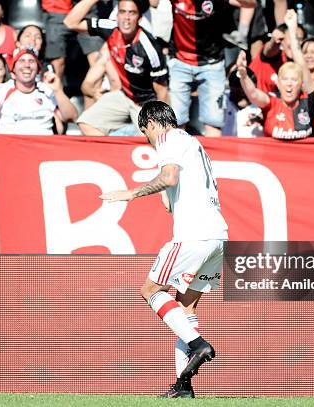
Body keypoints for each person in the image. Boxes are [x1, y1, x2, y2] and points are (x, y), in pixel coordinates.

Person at [100, 101, 228, 398]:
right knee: (186, 308)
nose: (149, 138)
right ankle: (183, 385)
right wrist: (170, 196)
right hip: (217, 237)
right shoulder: (193, 144)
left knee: (150, 290)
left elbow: (169, 177)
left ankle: (198, 345)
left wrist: (131, 193)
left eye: (145, 132)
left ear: (154, 125)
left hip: (193, 235)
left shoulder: (169, 137)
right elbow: (175, 190)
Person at [65, 0, 169, 136]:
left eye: (132, 13)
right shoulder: (111, 27)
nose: (126, 18)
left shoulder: (150, 48)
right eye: (122, 12)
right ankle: (110, 155)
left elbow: (162, 92)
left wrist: (162, 125)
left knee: (157, 139)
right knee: (87, 124)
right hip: (124, 96)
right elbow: (70, 22)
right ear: (116, 15)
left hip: (145, 103)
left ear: (140, 18)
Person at [161, 0, 255, 137]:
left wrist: (242, 33)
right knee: (175, 122)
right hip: (180, 62)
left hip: (212, 64)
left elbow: (250, 3)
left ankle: (213, 157)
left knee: (213, 123)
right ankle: (177, 157)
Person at [237, 51, 314, 139]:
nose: (289, 84)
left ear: (301, 84)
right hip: (273, 161)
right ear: (278, 83)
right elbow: (253, 94)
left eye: (294, 80)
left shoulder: (308, 101)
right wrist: (243, 74)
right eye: (285, 79)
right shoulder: (272, 101)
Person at [0, 48, 78, 135]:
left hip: (43, 148)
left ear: (38, 70)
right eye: (21, 61)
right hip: (10, 148)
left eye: (31, 61)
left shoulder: (46, 90)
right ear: (13, 73)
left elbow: (71, 117)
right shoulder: (3, 89)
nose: (27, 65)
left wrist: (58, 90)